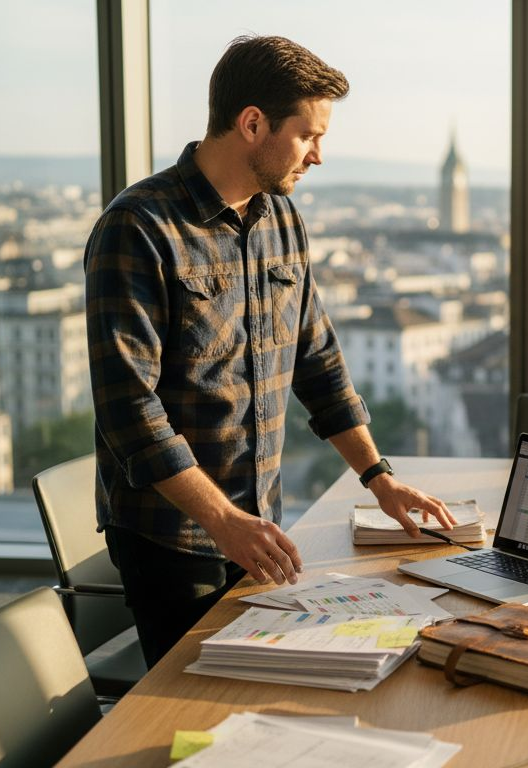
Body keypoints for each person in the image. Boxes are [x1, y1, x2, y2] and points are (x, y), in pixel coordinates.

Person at [84, 35, 454, 668]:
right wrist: (223, 521)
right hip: (175, 541)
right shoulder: (140, 227)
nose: (318, 157)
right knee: (194, 715)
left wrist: (378, 477)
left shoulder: (282, 221)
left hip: (260, 528)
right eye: (309, 135)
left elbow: (319, 363)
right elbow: (129, 410)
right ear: (252, 123)